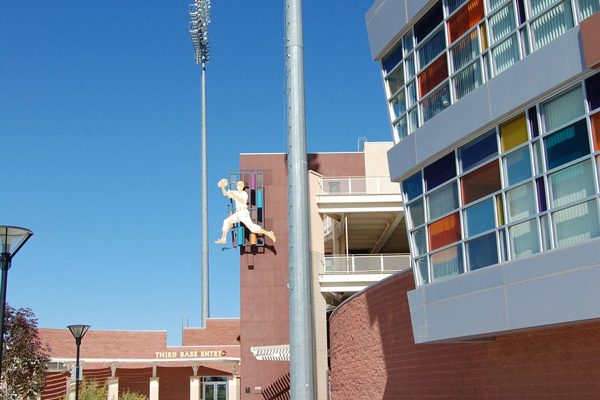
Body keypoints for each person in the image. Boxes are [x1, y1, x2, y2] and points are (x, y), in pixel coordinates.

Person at [215, 178, 276, 244]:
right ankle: (223, 239)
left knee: (252, 228)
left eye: (240, 185)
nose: (238, 186)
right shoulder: (234, 192)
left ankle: (269, 233)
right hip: (238, 213)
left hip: (244, 213)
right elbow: (225, 194)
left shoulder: (244, 193)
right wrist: (223, 187)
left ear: (242, 186)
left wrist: (235, 196)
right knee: (226, 221)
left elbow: (243, 201)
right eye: (237, 185)